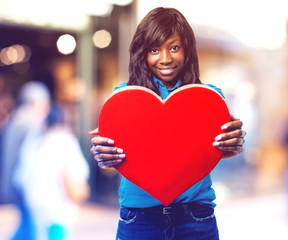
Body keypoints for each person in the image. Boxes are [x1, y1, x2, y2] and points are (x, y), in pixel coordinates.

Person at [90, 7, 246, 240]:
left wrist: (234, 144)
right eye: (154, 49)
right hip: (139, 218)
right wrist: (103, 156)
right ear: (143, 53)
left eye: (174, 47)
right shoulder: (124, 98)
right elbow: (115, 157)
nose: (165, 59)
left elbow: (212, 150)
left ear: (188, 50)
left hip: (195, 217)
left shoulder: (209, 98)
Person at [13, 102, 90, 240]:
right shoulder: (64, 140)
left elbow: (20, 178)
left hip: (35, 209)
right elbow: (77, 174)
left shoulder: (33, 141)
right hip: (58, 210)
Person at [0, 81, 51, 240]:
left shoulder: (17, 118)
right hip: (24, 185)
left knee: (27, 224)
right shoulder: (29, 122)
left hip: (16, 183)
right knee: (29, 226)